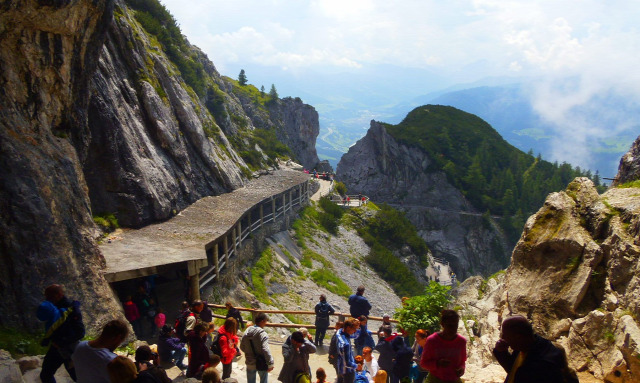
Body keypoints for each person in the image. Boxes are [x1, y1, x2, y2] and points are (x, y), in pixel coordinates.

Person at [493, 315, 578, 383]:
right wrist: (502, 353)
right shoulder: (525, 347)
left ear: (518, 337)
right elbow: (514, 370)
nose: (503, 338)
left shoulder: (544, 364)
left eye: (506, 335)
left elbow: (523, 376)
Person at [37, 284, 85, 383]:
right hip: (56, 348)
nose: (48, 299)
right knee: (45, 374)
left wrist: (61, 342)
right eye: (47, 297)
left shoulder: (71, 309)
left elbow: (80, 332)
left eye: (50, 296)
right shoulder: (53, 308)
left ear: (59, 294)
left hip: (69, 349)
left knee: (78, 378)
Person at [419, 310, 466, 383]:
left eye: (455, 325)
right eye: (450, 325)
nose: (453, 329)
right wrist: (437, 363)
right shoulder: (432, 341)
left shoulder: (461, 341)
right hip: (435, 380)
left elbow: (462, 362)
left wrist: (461, 369)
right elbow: (423, 363)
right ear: (442, 324)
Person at [241, 313, 275, 383]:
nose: (266, 323)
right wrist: (270, 363)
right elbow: (265, 349)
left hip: (250, 361)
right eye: (265, 321)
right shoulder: (262, 334)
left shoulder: (246, 331)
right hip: (261, 362)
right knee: (263, 379)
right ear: (262, 321)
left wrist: (249, 352)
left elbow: (242, 346)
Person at [336, 318, 359, 383]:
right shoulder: (346, 344)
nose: (355, 331)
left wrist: (357, 325)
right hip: (348, 371)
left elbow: (355, 336)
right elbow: (347, 363)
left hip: (340, 367)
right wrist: (357, 366)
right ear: (348, 328)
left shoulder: (339, 333)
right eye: (354, 329)